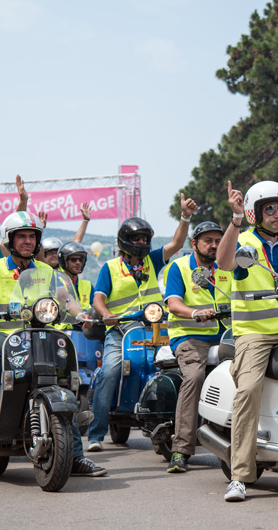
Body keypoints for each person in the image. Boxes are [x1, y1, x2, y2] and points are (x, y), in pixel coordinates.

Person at [0, 211, 105, 477]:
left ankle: (75, 456)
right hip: (4, 334)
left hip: (39, 334)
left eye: (32, 236)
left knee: (63, 379)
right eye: (21, 236)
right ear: (10, 240)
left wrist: (81, 314)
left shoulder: (46, 270)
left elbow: (65, 297)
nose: (27, 241)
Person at [215, 180, 278, 502]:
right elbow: (223, 263)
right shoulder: (244, 242)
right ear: (255, 213)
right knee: (249, 389)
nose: (277, 214)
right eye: (270, 209)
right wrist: (235, 219)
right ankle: (240, 475)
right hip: (255, 332)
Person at [87, 194, 196, 453]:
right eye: (137, 239)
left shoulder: (152, 260)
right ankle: (95, 434)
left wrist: (185, 217)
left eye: (145, 239)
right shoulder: (110, 267)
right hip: (120, 329)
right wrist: (106, 314)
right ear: (125, 241)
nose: (142, 243)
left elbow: (177, 243)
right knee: (110, 372)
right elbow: (98, 298)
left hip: (156, 327)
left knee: (175, 368)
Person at [164, 221, 231, 473]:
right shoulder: (179, 267)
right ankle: (181, 448)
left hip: (227, 335)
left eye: (218, 241)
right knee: (194, 377)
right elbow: (173, 304)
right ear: (194, 244)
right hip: (190, 336)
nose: (214, 245)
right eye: (208, 241)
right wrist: (195, 313)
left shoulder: (228, 267)